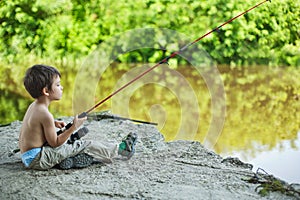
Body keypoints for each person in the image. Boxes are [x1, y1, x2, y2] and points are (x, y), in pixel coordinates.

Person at [19, 64, 137, 170]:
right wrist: (73, 127)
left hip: (28, 156)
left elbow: (34, 124)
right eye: (58, 85)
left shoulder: (34, 106)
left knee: (66, 141)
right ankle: (121, 149)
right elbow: (55, 143)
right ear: (46, 91)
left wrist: (53, 123)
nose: (62, 87)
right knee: (85, 145)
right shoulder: (45, 115)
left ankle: (67, 158)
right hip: (38, 160)